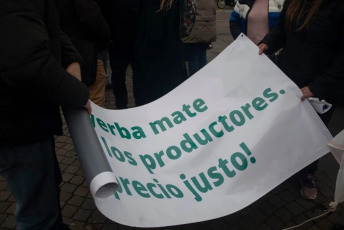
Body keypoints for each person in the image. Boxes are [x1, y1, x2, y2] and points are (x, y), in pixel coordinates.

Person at [0, 0, 91, 229]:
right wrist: (78, 94)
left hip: (26, 121)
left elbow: (48, 28)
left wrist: (71, 56)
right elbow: (26, 61)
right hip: (17, 125)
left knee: (46, 194)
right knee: (37, 215)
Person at [258, 0, 344, 200]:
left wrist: (317, 87)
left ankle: (308, 173)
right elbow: (282, 29)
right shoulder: (294, 2)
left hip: (320, 88)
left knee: (310, 134)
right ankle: (279, 167)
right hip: (289, 79)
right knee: (282, 127)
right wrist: (268, 43)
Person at [55, 0, 111, 108]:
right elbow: (92, 17)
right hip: (85, 53)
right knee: (95, 99)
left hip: (65, 53)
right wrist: (106, 38)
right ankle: (92, 124)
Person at [132, 0, 188, 106]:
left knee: (151, 100)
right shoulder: (177, 3)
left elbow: (153, 34)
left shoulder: (151, 4)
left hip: (153, 62)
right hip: (173, 58)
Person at [97, 0, 141, 109]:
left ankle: (127, 103)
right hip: (121, 40)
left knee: (125, 75)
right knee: (121, 76)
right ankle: (124, 104)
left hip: (126, 39)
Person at [182, 0, 217, 77]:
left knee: (193, 57)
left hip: (195, 25)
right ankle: (202, 80)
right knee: (202, 55)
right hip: (208, 25)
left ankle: (194, 82)